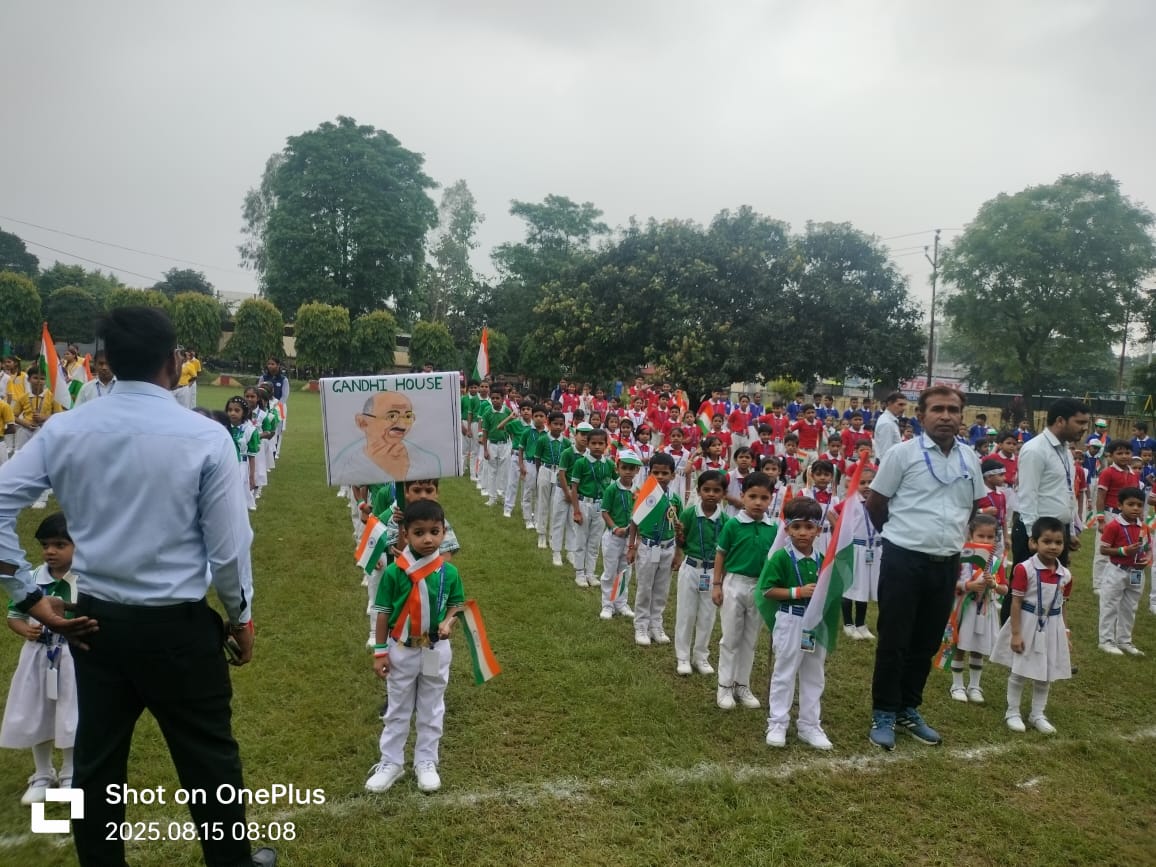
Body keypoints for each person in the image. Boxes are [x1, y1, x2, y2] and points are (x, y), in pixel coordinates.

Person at [0, 307, 274, 866]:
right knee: (209, 760)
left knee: (96, 764)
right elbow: (228, 548)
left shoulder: (67, 429)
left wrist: (27, 596)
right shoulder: (205, 435)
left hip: (96, 625)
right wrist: (241, 617)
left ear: (107, 361)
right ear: (173, 361)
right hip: (177, 628)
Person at [865, 386, 986, 751]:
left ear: (961, 416)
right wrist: (899, 537)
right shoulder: (902, 454)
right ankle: (884, 711)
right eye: (937, 409)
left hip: (946, 562)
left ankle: (908, 707)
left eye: (953, 409)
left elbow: (974, 506)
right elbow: (876, 503)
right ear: (921, 416)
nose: (945, 416)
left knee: (928, 640)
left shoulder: (970, 458)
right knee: (895, 639)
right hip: (904, 559)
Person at [367, 499, 465, 794]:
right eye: (419, 532)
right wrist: (380, 651)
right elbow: (383, 613)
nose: (428, 539)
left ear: (444, 531)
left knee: (431, 707)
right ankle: (391, 762)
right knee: (397, 708)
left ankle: (426, 760)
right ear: (405, 533)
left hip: (434, 650)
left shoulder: (449, 573)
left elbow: (457, 605)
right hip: (402, 650)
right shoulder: (396, 572)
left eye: (435, 531)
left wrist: (448, 622)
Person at [0, 513, 78, 805]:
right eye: (45, 545)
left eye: (60, 545)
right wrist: (26, 630)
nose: (50, 551)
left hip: (71, 657)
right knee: (37, 711)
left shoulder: (85, 579)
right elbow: (15, 616)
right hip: (37, 657)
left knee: (70, 712)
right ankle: (43, 774)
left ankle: (70, 772)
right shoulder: (32, 578)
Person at [757, 496, 832, 750]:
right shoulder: (781, 558)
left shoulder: (823, 560)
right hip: (791, 619)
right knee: (785, 671)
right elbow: (767, 590)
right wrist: (797, 592)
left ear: (818, 530)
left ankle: (809, 724)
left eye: (809, 527)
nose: (802, 533)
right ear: (787, 529)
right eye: (796, 527)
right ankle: (778, 722)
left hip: (815, 623)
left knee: (814, 673)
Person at [1007, 398, 1088, 623]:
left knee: (1053, 588)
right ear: (1060, 420)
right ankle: (1012, 635)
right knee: (1023, 589)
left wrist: (1069, 531)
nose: (1084, 428)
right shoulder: (1035, 449)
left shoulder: (1066, 451)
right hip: (1036, 532)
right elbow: (1027, 495)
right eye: (1080, 422)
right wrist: (1034, 537)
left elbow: (1067, 493)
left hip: (1057, 531)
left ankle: (1046, 633)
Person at [989, 517, 1072, 734]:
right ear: (1033, 543)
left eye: (1058, 542)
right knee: (1020, 670)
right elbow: (1016, 602)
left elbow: (1062, 604)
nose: (1053, 547)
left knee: (1046, 672)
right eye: (1047, 541)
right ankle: (1012, 711)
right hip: (1027, 622)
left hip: (1052, 626)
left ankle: (1037, 714)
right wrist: (1016, 634)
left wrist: (1065, 631)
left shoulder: (1065, 575)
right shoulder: (1024, 569)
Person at [712, 471, 776, 711]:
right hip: (734, 584)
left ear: (771, 499)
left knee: (750, 639)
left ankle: (742, 684)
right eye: (753, 496)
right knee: (731, 637)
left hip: (759, 586)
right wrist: (716, 584)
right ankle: (725, 686)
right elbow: (721, 554)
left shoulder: (773, 527)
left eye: (764, 498)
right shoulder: (733, 524)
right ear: (743, 496)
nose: (758, 502)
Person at [947, 514, 1007, 704]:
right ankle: (957, 684)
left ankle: (974, 686)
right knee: (960, 645)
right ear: (971, 536)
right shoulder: (963, 558)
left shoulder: (996, 562)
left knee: (978, 648)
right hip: (964, 609)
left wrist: (994, 584)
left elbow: (1005, 588)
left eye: (990, 537)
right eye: (981, 536)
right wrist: (968, 586)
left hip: (985, 611)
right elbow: (949, 583)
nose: (985, 540)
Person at [674, 470, 727, 676]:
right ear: (699, 491)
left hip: (712, 572)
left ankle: (700, 656)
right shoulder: (689, 514)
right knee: (686, 613)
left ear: (723, 494)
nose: (711, 494)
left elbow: (726, 549)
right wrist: (679, 536)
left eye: (716, 490)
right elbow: (682, 541)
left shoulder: (725, 520)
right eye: (707, 490)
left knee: (707, 615)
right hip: (691, 568)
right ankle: (683, 656)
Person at [627, 452, 682, 645]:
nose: (660, 476)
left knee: (661, 589)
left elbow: (679, 527)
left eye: (665, 473)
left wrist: (678, 552)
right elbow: (634, 521)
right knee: (645, 587)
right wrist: (632, 547)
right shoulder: (644, 496)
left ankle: (655, 624)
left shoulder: (675, 499)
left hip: (667, 548)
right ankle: (641, 625)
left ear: (673, 475)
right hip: (648, 547)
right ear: (649, 474)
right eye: (655, 473)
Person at [1096, 486, 1148, 656]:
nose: (1135, 508)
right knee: (1110, 605)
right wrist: (1123, 551)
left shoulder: (1143, 526)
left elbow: (1146, 547)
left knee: (1130, 607)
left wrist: (1146, 559)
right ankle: (1106, 640)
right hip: (1116, 571)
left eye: (1139, 505)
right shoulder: (1114, 526)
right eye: (1130, 504)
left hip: (1136, 572)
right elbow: (1103, 549)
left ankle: (1124, 640)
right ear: (1120, 505)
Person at [569, 428, 616, 589]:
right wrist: (576, 510)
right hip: (584, 503)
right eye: (593, 443)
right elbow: (574, 487)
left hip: (601, 506)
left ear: (606, 445)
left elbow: (618, 480)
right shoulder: (581, 463)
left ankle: (590, 572)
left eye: (600, 443)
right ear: (588, 444)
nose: (597, 446)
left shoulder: (609, 464)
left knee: (595, 541)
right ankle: (579, 573)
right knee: (581, 539)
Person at [598, 451, 641, 620]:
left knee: (625, 571)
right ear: (617, 469)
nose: (628, 472)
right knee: (610, 572)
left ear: (637, 470)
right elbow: (605, 511)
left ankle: (621, 603)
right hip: (613, 537)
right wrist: (615, 528)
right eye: (624, 468)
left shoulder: (637, 491)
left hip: (629, 537)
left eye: (632, 468)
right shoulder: (612, 489)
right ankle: (607, 605)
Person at [840, 466, 880, 640]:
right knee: (851, 586)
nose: (867, 486)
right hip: (856, 549)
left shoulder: (880, 501)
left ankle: (861, 624)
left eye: (870, 482)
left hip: (874, 550)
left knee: (865, 587)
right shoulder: (852, 501)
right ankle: (848, 624)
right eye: (862, 482)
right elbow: (834, 514)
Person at [12, 366, 59, 452]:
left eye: (42, 379)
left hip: (44, 429)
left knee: (41, 453)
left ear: (46, 381)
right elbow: (13, 416)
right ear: (28, 379)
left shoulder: (52, 396)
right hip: (25, 431)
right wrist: (24, 423)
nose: (39, 381)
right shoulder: (23, 397)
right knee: (23, 454)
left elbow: (59, 414)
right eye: (35, 378)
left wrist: (44, 418)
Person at [872, 392, 906, 460]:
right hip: (887, 462)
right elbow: (885, 452)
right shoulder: (887, 423)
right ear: (890, 403)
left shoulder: (891, 420)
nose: (903, 408)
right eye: (900, 404)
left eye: (904, 405)